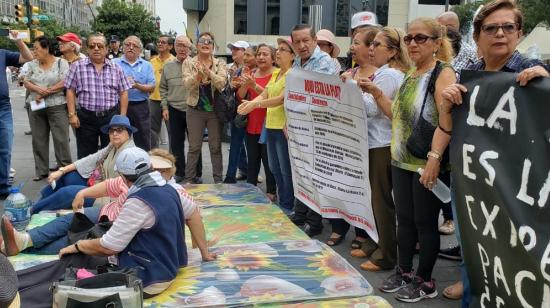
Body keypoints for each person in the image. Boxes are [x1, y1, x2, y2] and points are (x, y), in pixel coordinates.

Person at [441, 1, 550, 306]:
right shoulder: (470, 75)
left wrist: (546, 90)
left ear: (520, 33)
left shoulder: (535, 74)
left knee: (515, 257)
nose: (500, 33)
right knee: (475, 251)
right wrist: (446, 107)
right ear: (477, 36)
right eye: (491, 28)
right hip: (473, 187)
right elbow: (450, 128)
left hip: (517, 191)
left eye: (508, 27)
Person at [1, 148, 212, 265]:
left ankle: (18, 245)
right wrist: (83, 193)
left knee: (72, 240)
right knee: (71, 218)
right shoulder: (142, 180)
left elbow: (109, 246)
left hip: (120, 230)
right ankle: (24, 240)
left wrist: (78, 247)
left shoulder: (147, 197)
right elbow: (108, 185)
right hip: (109, 214)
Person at [370, 17, 456, 302]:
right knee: (404, 220)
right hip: (401, 160)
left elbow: (447, 123)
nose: (412, 43)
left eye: (420, 38)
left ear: (436, 43)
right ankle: (404, 271)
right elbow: (398, 116)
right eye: (408, 38)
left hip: (425, 161)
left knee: (424, 223)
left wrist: (434, 159)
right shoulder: (411, 73)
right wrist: (376, 93)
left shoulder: (442, 73)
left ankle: (425, 280)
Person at [56, 147, 215, 297]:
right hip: (168, 267)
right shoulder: (172, 190)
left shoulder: (139, 201)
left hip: (147, 279)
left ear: (124, 177)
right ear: (150, 167)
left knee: (72, 261)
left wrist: (78, 246)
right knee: (79, 245)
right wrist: (205, 253)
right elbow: (194, 214)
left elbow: (109, 247)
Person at [348, 27, 412, 273]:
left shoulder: (388, 75)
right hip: (376, 142)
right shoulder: (384, 73)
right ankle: (376, 243)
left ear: (393, 52)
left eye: (377, 45)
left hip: (381, 143)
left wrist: (352, 86)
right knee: (375, 200)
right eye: (371, 44)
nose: (371, 49)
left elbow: (372, 109)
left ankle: (386, 254)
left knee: (381, 201)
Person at [325, 27, 380, 249]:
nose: (352, 48)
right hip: (343, 139)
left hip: (368, 142)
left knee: (362, 189)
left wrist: (352, 86)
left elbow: (373, 110)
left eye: (357, 43)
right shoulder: (349, 72)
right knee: (340, 184)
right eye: (352, 43)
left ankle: (362, 232)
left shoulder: (381, 75)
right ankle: (339, 226)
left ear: (371, 47)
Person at [288, 24, 340, 237]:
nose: (301, 45)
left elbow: (320, 100)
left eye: (305, 40)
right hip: (300, 127)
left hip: (320, 128)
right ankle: (300, 213)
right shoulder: (298, 62)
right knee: (301, 170)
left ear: (314, 40)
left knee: (315, 175)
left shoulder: (325, 63)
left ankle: (314, 221)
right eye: (297, 42)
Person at [30, 115, 136, 214]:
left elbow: (121, 187)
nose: (115, 133)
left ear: (129, 133)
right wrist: (61, 170)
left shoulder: (129, 153)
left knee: (67, 193)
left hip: (109, 197)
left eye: (120, 130)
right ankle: (39, 202)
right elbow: (90, 159)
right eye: (112, 130)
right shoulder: (112, 145)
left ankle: (32, 211)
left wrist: (90, 190)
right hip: (97, 184)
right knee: (67, 176)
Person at [238, 37, 294, 214]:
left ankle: (287, 205)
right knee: (274, 168)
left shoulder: (293, 74)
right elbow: (266, 93)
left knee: (285, 170)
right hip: (270, 125)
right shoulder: (278, 74)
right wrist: (250, 103)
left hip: (284, 128)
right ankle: (283, 202)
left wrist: (254, 105)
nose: (278, 52)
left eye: (283, 50)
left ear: (292, 56)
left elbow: (280, 99)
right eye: (277, 49)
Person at [65, 33, 131, 159]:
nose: (96, 49)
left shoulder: (116, 68)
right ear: (87, 49)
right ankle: (87, 178)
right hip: (86, 117)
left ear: (106, 49)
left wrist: (122, 117)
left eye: (100, 46)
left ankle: (108, 178)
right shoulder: (77, 67)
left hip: (110, 117)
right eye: (92, 46)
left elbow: (123, 92)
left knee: (112, 152)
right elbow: (70, 91)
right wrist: (72, 114)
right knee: (86, 155)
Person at [24, 36, 72, 181]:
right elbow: (26, 81)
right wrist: (38, 89)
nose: (34, 51)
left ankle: (65, 169)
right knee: (38, 139)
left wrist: (46, 92)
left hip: (57, 105)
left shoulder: (61, 63)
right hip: (36, 105)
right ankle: (41, 170)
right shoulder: (32, 64)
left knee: (61, 139)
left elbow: (65, 81)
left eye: (36, 48)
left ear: (46, 49)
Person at [182, 32, 227, 184]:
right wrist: (198, 77)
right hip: (195, 110)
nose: (206, 43)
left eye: (209, 42)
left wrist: (208, 73)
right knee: (194, 147)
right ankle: (189, 179)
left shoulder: (220, 63)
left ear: (213, 46)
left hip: (215, 111)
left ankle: (218, 180)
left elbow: (221, 83)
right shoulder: (188, 62)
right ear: (197, 45)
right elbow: (187, 84)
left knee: (215, 147)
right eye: (202, 41)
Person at [235, 44, 276, 200]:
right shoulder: (251, 73)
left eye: (265, 54)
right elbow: (240, 96)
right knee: (252, 159)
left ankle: (271, 191)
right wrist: (245, 85)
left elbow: (270, 96)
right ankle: (251, 187)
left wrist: (254, 85)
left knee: (269, 161)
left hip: (268, 123)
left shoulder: (277, 75)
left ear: (273, 58)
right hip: (251, 121)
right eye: (259, 54)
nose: (260, 57)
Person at [160, 35, 203, 183]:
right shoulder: (168, 66)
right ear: (174, 47)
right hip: (174, 109)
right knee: (176, 143)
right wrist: (164, 106)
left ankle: (196, 174)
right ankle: (180, 172)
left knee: (195, 143)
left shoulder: (196, 65)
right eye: (179, 45)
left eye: (185, 45)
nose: (182, 48)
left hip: (194, 109)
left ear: (190, 48)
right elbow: (163, 88)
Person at [0, 30, 33, 199]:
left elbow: (28, 58)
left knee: (4, 147)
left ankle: (3, 186)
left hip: (2, 107)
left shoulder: (2, 54)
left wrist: (18, 40)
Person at [113, 36, 156, 151]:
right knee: (118, 137)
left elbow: (152, 87)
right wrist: (122, 83)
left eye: (135, 46)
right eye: (128, 45)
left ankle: (143, 165)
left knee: (143, 138)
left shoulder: (147, 65)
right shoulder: (113, 63)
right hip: (118, 105)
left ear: (140, 50)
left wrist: (137, 85)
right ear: (123, 47)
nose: (131, 48)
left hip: (140, 106)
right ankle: (117, 165)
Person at [224, 41, 251, 184]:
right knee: (236, 144)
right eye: (232, 49)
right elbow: (227, 91)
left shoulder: (251, 68)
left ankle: (245, 172)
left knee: (247, 145)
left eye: (236, 49)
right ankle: (234, 173)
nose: (233, 51)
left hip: (250, 110)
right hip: (236, 111)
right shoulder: (231, 68)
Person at [149, 35, 175, 149]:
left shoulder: (175, 61)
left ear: (170, 46)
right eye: (158, 42)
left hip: (170, 100)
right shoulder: (151, 61)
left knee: (172, 131)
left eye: (163, 42)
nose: (159, 44)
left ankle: (173, 158)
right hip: (153, 99)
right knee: (152, 131)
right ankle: (154, 157)